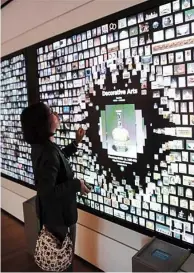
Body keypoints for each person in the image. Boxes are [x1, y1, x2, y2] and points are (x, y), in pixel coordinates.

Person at [20, 102, 90, 271]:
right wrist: (76, 184)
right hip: (59, 219)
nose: (56, 114)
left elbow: (57, 161)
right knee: (64, 262)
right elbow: (47, 192)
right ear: (44, 123)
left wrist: (75, 144)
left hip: (52, 216)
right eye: (50, 112)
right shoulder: (48, 151)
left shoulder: (43, 146)